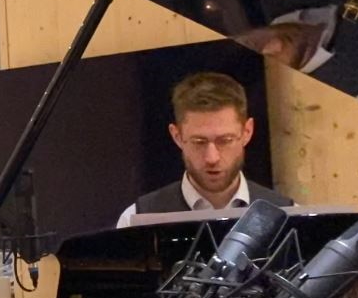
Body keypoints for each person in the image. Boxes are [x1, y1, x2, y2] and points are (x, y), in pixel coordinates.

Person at [115, 71, 291, 228]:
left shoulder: (288, 216)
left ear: (247, 132)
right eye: (199, 142)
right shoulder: (136, 220)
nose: (212, 158)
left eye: (225, 141)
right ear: (177, 136)